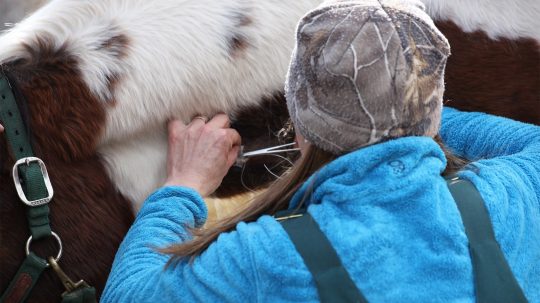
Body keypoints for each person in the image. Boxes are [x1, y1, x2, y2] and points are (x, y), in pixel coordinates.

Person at [101, 0, 540, 302]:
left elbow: (128, 295)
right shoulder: (510, 199)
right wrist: (408, 113)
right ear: (433, 108)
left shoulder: (266, 258)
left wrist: (183, 185)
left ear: (299, 124)